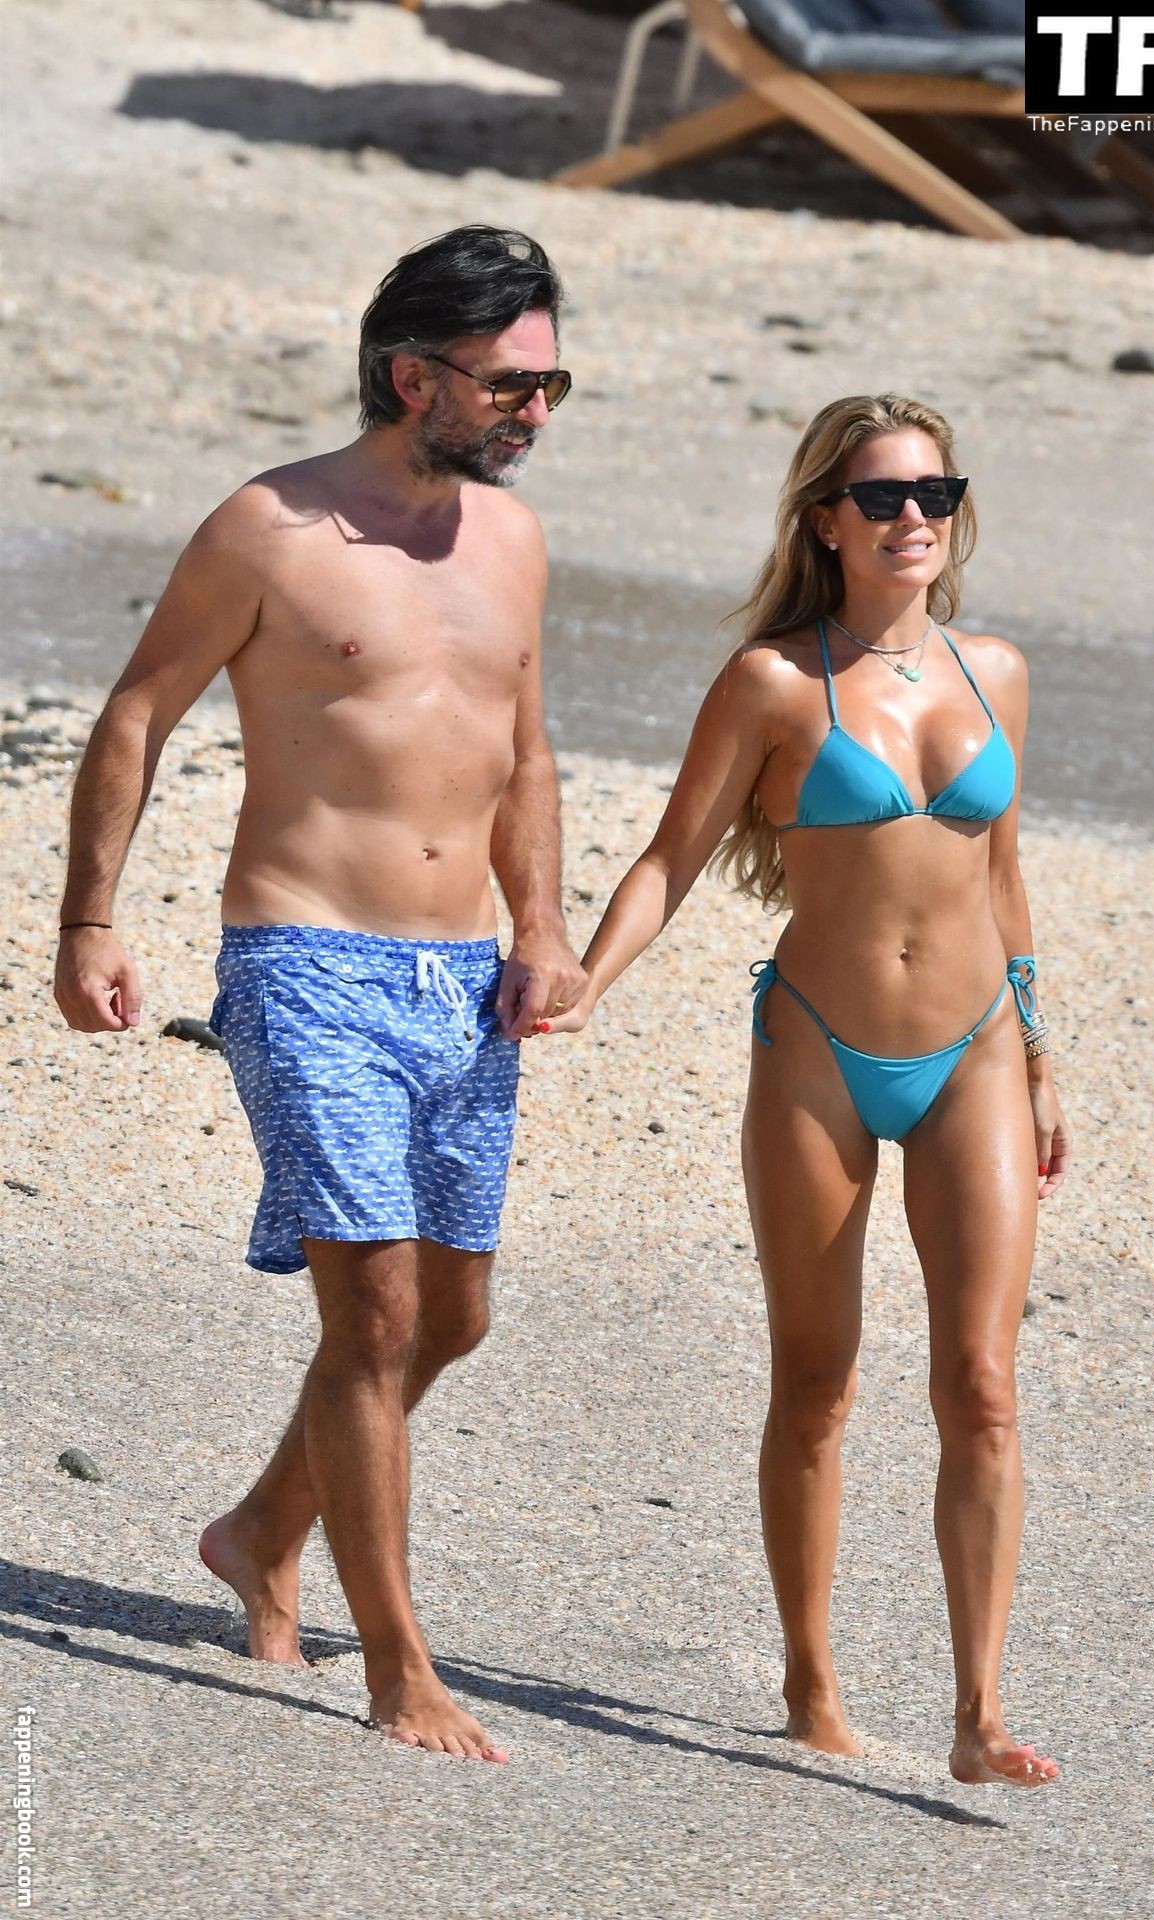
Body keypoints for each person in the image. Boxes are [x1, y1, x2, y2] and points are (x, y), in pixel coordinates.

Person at [53, 225, 585, 1761]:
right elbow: (137, 714)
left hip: (464, 976)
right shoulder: (269, 529)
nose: (533, 414)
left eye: (551, 389)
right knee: (378, 1311)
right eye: (509, 386)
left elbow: (525, 752)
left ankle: (260, 1531)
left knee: (453, 1318)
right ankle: (398, 1667)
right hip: (305, 960)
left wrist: (542, 923)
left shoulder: (515, 544)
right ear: (414, 376)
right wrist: (90, 920)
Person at [546, 394, 1070, 1787]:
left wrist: (1041, 1053)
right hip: (820, 1051)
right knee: (818, 1380)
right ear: (826, 520)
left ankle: (979, 1713)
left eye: (935, 494)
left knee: (984, 1386)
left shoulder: (999, 673)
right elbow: (672, 855)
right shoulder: (774, 683)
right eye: (882, 498)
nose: (914, 519)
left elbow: (1005, 878)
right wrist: (588, 976)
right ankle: (811, 1681)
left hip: (977, 1053)